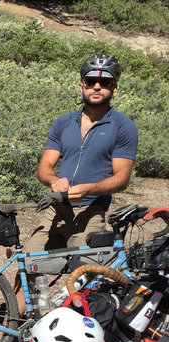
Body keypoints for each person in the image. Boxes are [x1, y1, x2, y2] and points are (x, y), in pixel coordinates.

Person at [17, 54, 139, 314]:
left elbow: (121, 178)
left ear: (114, 88)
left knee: (85, 280)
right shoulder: (63, 123)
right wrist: (53, 180)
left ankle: (73, 336)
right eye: (91, 80)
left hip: (90, 212)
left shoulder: (123, 127)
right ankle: (8, 334)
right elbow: (44, 168)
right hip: (56, 210)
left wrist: (87, 189)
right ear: (81, 85)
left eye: (104, 82)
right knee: (26, 266)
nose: (97, 86)